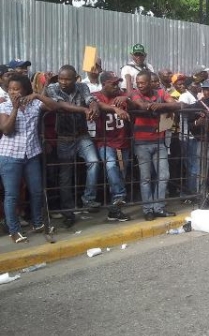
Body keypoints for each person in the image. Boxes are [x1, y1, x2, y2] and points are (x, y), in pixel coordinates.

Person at [0, 75, 59, 243]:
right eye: (10, 89)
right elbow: (6, 130)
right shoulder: (4, 106)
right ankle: (14, 230)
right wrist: (15, 108)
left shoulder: (34, 105)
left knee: (36, 191)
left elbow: (54, 107)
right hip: (10, 156)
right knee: (12, 195)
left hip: (31, 154)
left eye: (17, 89)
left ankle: (38, 223)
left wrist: (37, 95)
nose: (13, 92)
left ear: (25, 89)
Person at [45, 65, 102, 226]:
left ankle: (88, 199)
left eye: (67, 79)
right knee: (65, 175)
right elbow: (61, 105)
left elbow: (90, 99)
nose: (63, 82)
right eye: (61, 78)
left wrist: (94, 107)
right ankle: (67, 211)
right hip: (64, 138)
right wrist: (84, 110)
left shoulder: (82, 86)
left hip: (82, 135)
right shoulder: (52, 88)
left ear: (75, 78)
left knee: (94, 162)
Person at [130, 71, 180, 220]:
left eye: (143, 82)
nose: (140, 85)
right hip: (141, 142)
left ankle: (159, 207)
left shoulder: (160, 92)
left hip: (159, 141)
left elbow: (176, 104)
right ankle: (147, 209)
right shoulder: (135, 94)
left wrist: (160, 105)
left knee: (164, 175)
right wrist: (159, 106)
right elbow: (143, 105)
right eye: (138, 83)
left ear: (150, 83)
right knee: (145, 178)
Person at [92, 72, 132, 222]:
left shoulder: (121, 95)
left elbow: (133, 97)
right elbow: (96, 103)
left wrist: (126, 97)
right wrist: (115, 109)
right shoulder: (96, 95)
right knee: (110, 167)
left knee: (120, 175)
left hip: (122, 142)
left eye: (117, 83)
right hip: (105, 142)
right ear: (103, 84)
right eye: (112, 84)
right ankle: (120, 196)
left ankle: (115, 211)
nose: (116, 86)